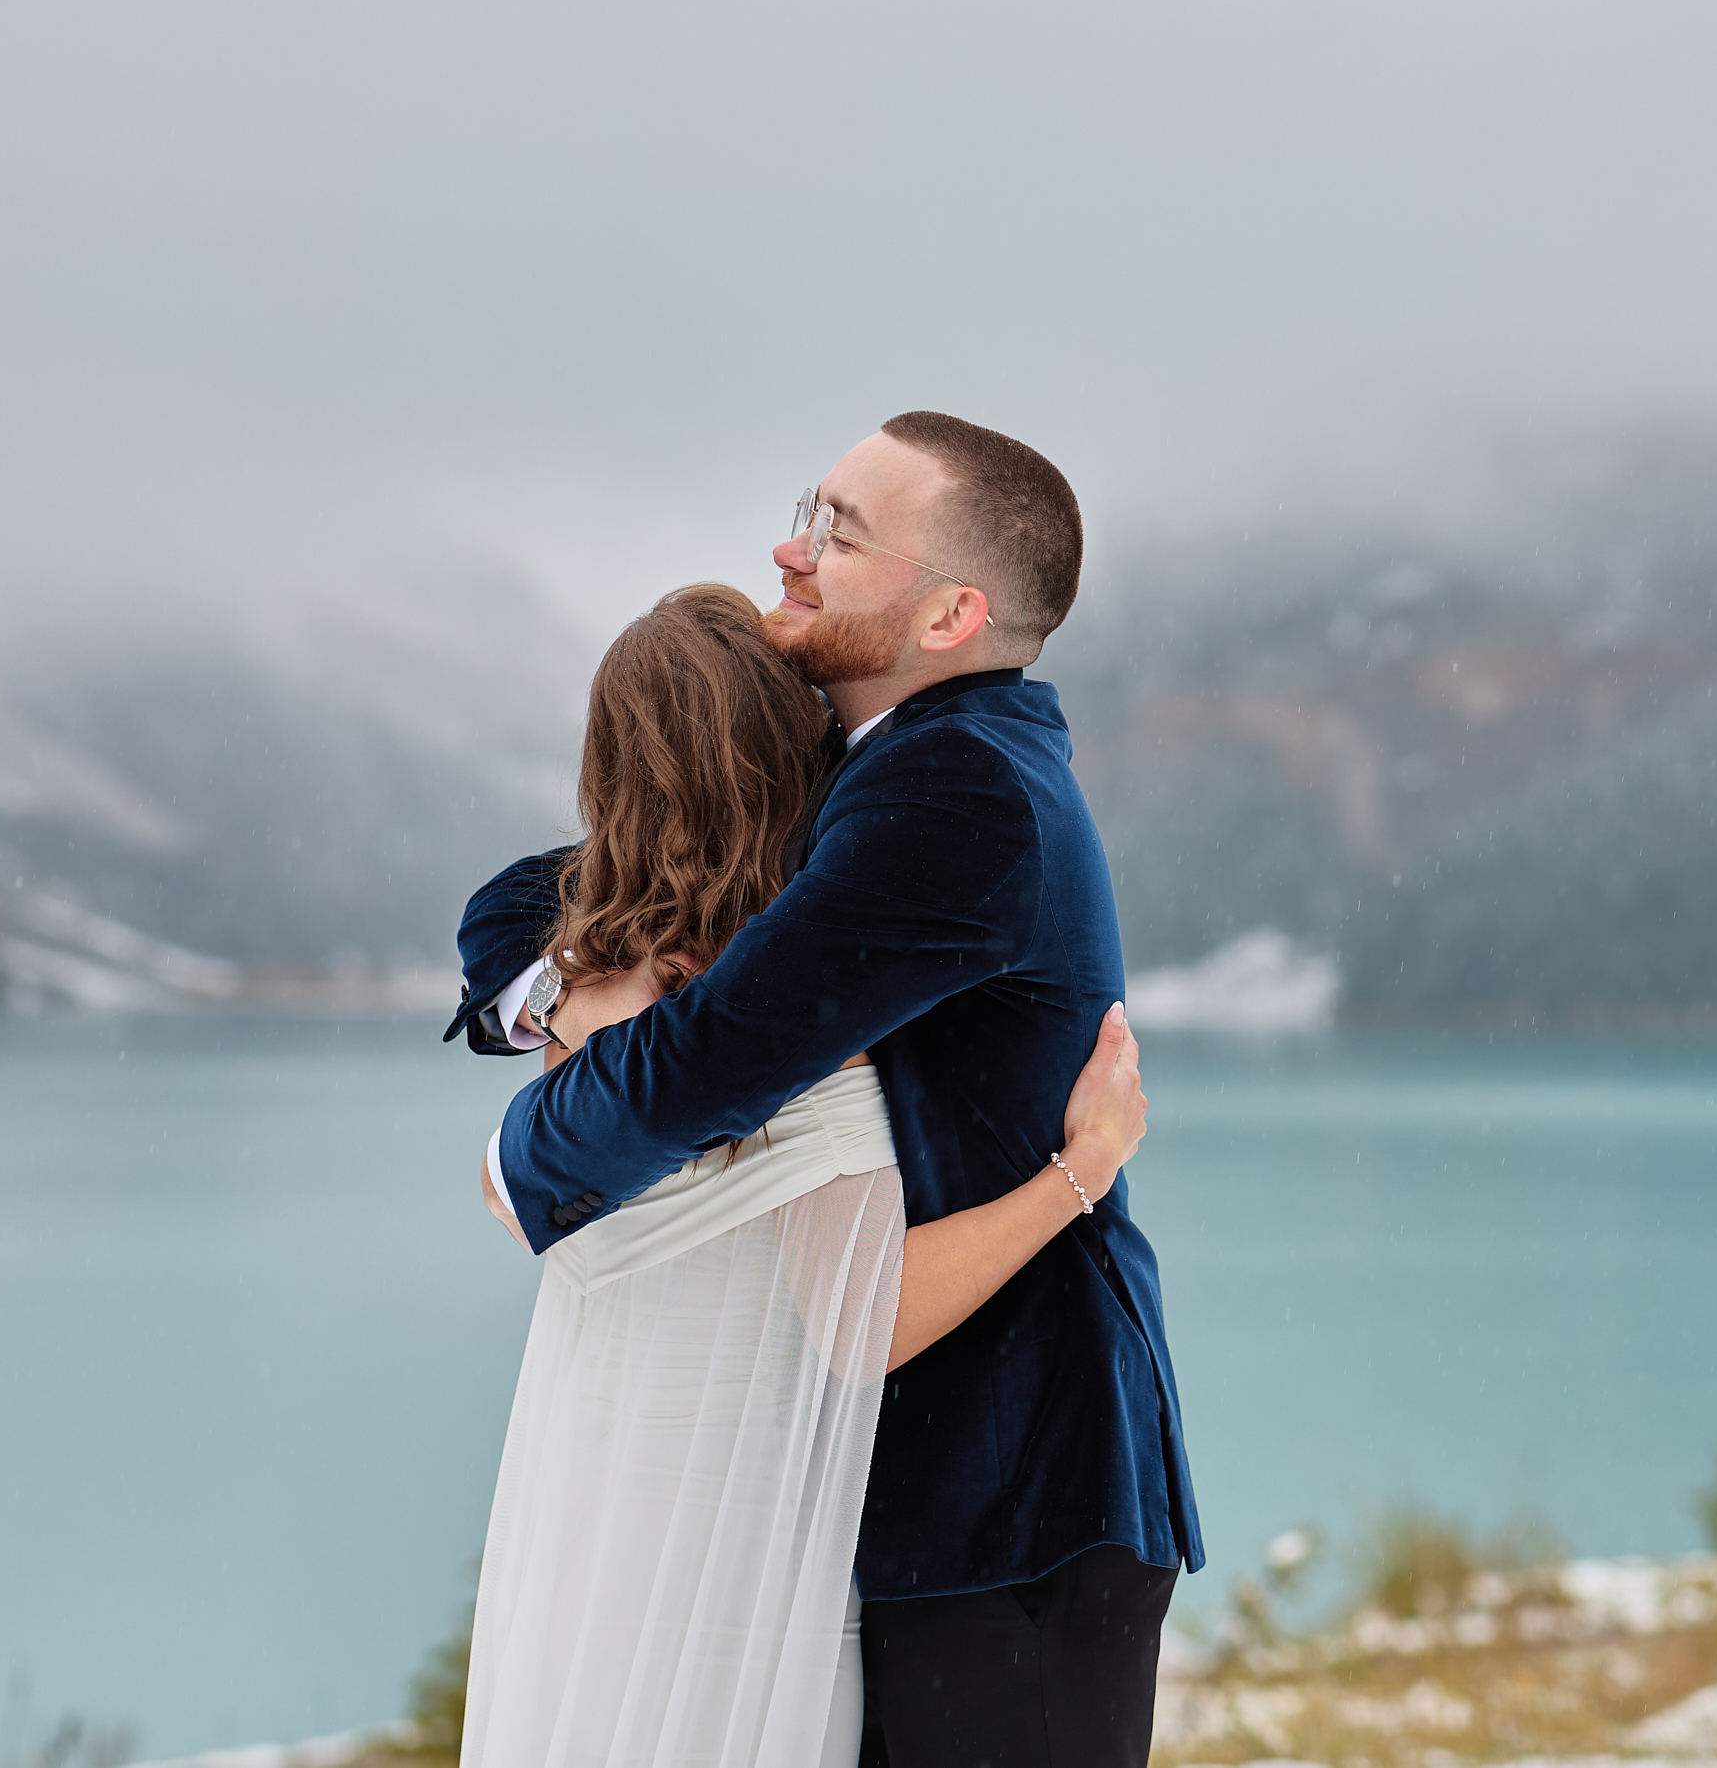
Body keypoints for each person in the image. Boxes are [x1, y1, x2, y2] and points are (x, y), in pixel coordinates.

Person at [449, 412, 1202, 1767]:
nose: (789, 551)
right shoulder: (869, 780)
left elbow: (716, 1057)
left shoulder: (957, 794)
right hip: (918, 1503)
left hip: (1011, 1491)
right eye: (809, 509)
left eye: (840, 532)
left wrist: (522, 1163)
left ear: (950, 612)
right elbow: (528, 900)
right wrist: (572, 987)